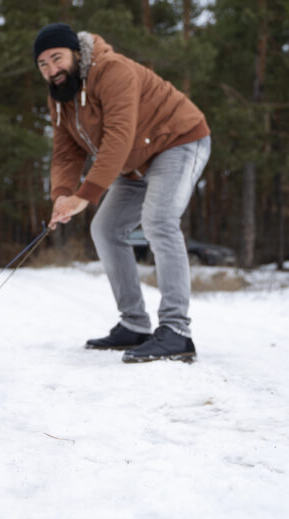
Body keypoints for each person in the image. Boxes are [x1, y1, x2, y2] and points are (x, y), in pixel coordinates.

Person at [34, 23, 211, 363]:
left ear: (76, 53)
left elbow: (119, 136)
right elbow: (66, 152)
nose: (52, 70)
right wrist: (62, 194)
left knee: (159, 221)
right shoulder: (60, 97)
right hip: (135, 162)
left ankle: (176, 330)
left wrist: (85, 194)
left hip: (178, 142)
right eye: (43, 64)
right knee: (105, 229)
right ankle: (134, 324)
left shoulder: (112, 70)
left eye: (57, 58)